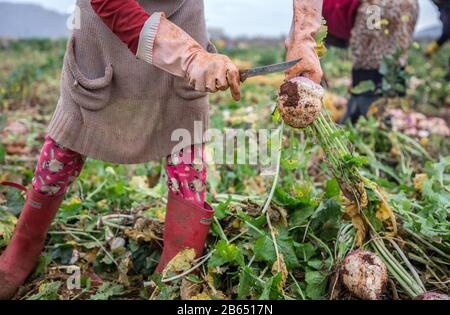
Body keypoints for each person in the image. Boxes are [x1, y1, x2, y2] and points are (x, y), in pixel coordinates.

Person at [0, 0, 324, 299]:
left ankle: (175, 272)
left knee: (187, 148)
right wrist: (191, 58)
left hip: (181, 17)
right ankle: (24, 246)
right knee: (67, 141)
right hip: (105, 27)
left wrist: (304, 37)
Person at [322, 0, 419, 123]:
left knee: (368, 67)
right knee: (395, 61)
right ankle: (391, 118)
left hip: (375, 6)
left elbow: (315, 46)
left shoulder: (311, 15)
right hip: (409, 6)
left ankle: (362, 120)